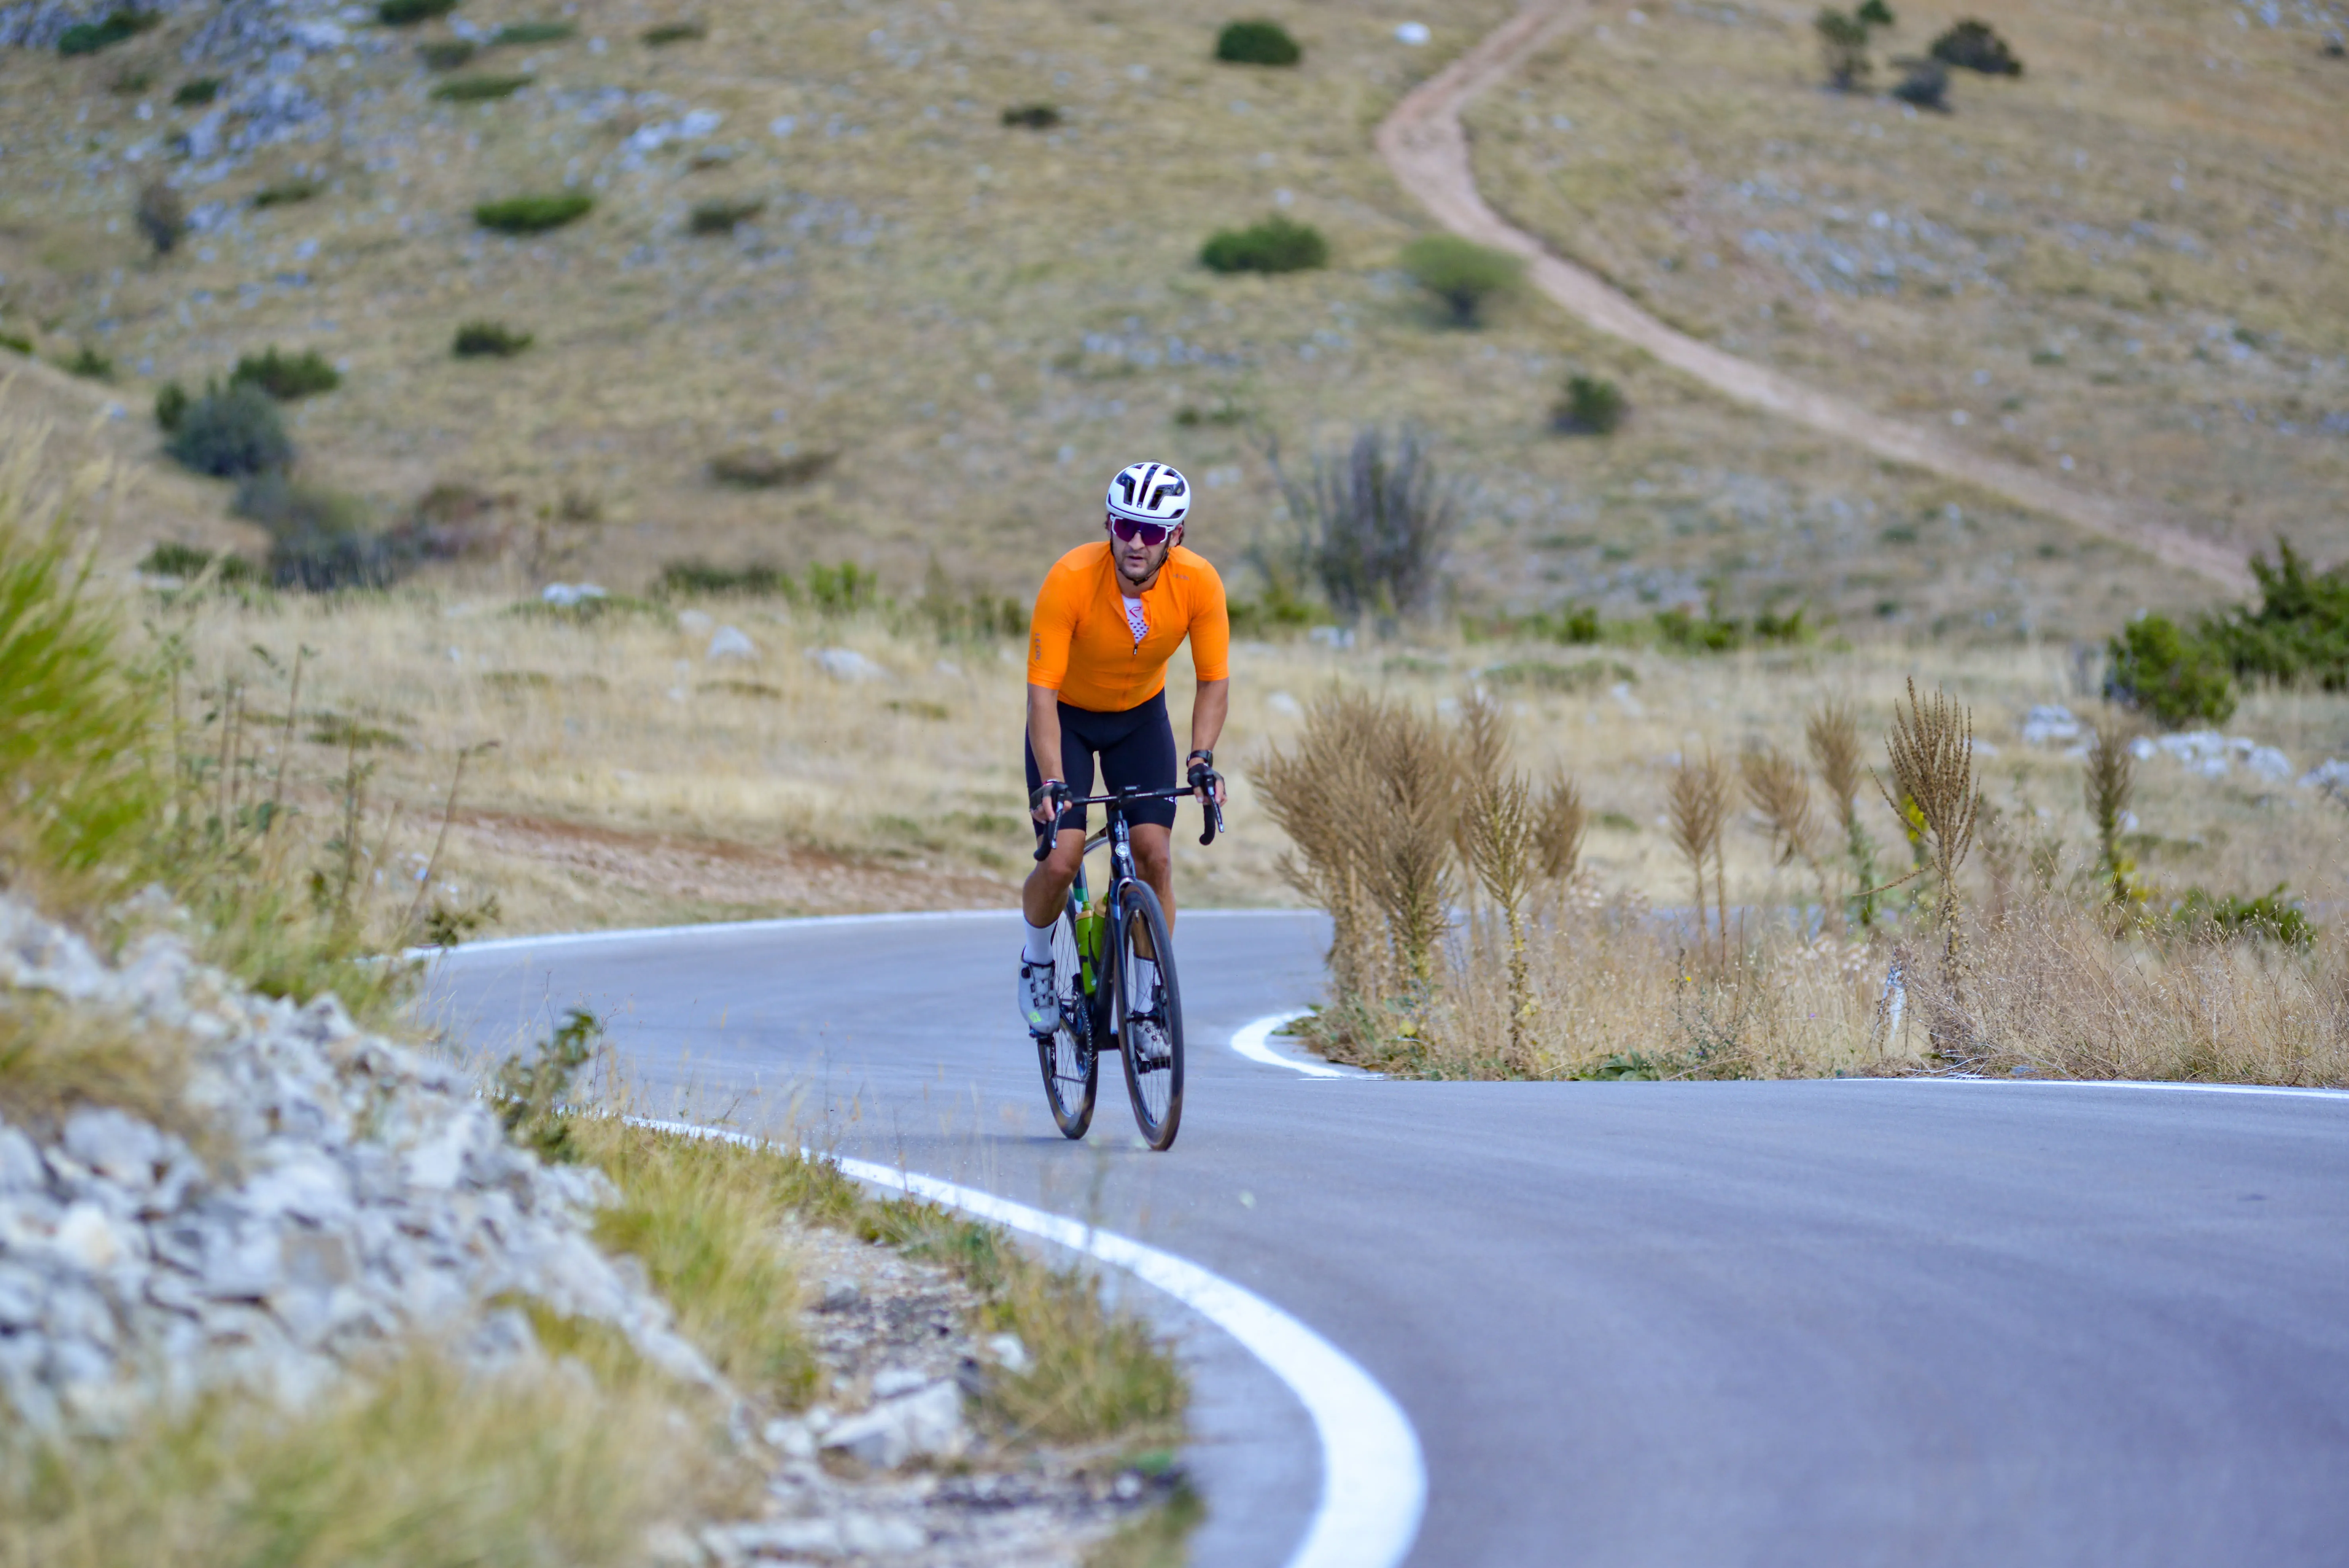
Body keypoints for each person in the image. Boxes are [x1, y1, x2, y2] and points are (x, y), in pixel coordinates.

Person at [1018, 461, 1230, 1035]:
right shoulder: (1069, 578)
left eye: (1153, 531)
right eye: (1126, 526)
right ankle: (1036, 959)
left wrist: (1201, 758)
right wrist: (1053, 783)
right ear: (1108, 524)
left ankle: (1143, 1006)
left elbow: (1213, 678)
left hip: (1139, 720)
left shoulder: (1199, 583)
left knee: (1153, 857)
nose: (1136, 542)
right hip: (1066, 718)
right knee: (1061, 858)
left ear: (1176, 538)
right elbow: (1040, 694)